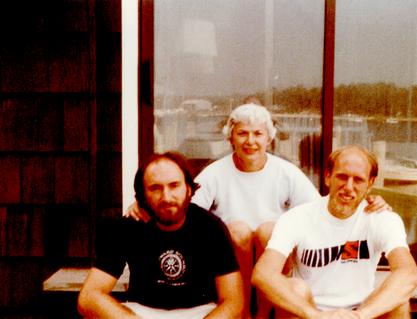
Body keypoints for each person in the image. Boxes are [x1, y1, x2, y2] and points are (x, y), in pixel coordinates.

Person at [125, 103, 390, 319]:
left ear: (269, 138)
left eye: (257, 134)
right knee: (238, 230)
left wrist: (365, 203)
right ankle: (241, 312)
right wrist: (145, 204)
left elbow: (319, 209)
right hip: (232, 260)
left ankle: (263, 315)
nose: (250, 141)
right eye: (242, 133)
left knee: (268, 230)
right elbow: (185, 210)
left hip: (272, 256)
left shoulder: (285, 172)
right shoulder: (216, 173)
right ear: (231, 137)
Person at [252, 145, 417, 319]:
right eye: (342, 177)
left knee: (398, 301)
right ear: (328, 177)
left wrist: (361, 315)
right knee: (296, 288)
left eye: (358, 180)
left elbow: (408, 272)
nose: (348, 186)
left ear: (370, 184)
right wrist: (315, 315)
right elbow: (263, 274)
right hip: (310, 311)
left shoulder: (382, 218)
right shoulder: (298, 217)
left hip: (361, 310)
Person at [78, 152, 244, 319]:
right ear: (143, 195)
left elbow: (233, 301)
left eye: (174, 185)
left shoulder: (210, 227)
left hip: (200, 313)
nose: (166, 197)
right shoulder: (128, 227)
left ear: (188, 188)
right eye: (155, 188)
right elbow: (89, 297)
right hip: (141, 313)